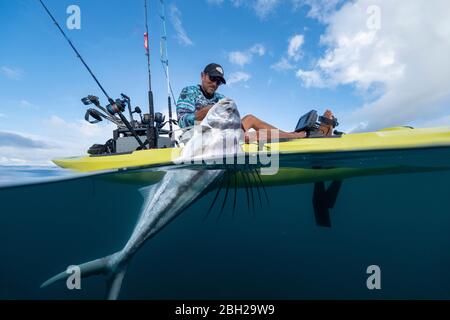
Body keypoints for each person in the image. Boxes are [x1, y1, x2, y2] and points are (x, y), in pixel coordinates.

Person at [176, 63, 335, 142]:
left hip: (222, 134)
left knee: (250, 118)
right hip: (199, 138)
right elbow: (183, 122)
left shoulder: (220, 98)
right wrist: (206, 112)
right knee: (251, 136)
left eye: (219, 82)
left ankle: (289, 137)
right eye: (212, 79)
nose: (215, 84)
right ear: (202, 76)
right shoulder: (188, 91)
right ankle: (302, 135)